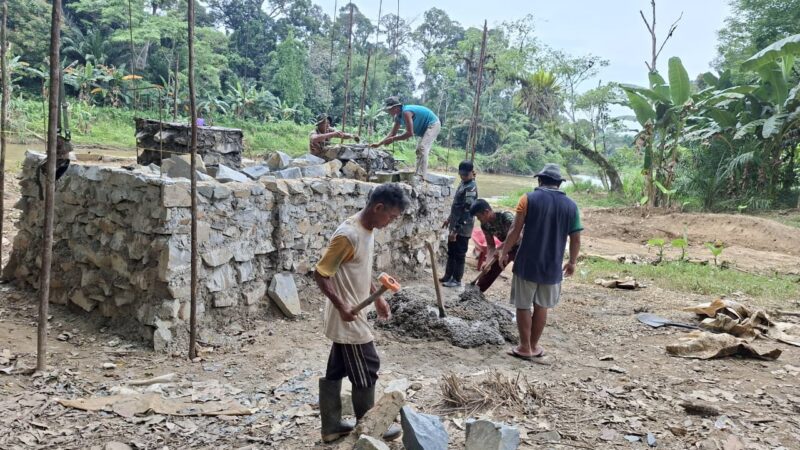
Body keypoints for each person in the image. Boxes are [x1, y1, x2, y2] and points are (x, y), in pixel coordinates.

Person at [314, 183, 408, 443]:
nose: (391, 222)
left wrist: (377, 298)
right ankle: (369, 428)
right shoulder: (348, 235)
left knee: (337, 368)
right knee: (367, 366)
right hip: (348, 317)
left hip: (355, 311)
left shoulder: (369, 229)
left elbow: (360, 269)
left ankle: (331, 426)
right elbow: (320, 274)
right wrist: (341, 305)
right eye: (391, 217)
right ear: (378, 207)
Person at [498, 163, 582, 359]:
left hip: (526, 264)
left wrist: (504, 252)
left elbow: (515, 230)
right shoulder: (572, 206)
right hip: (552, 267)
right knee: (542, 306)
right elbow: (576, 238)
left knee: (523, 305)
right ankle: (534, 346)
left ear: (540, 180)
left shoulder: (527, 199)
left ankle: (524, 347)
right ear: (559, 184)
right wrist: (572, 262)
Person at [370, 96, 440, 177]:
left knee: (422, 148)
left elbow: (409, 133)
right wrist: (379, 144)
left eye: (390, 109)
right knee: (419, 151)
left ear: (396, 108)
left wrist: (393, 139)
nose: (389, 112)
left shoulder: (406, 112)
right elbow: (392, 133)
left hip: (433, 124)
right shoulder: (398, 117)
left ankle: (421, 176)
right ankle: (418, 174)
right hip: (424, 129)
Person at [440, 160, 478, 288]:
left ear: (471, 173)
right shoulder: (463, 183)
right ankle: (448, 275)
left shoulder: (471, 187)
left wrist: (455, 230)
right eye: (461, 174)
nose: (463, 177)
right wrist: (449, 219)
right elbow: (456, 206)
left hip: (463, 227)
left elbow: (467, 211)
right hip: (455, 223)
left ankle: (456, 280)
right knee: (451, 251)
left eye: (465, 175)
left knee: (459, 254)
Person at [469, 199, 518, 292]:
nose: (478, 220)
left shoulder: (505, 217)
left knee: (522, 274)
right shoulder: (485, 225)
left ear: (486, 212)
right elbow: (491, 245)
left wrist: (502, 248)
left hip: (521, 247)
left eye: (479, 217)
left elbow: (517, 235)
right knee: (490, 269)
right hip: (505, 248)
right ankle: (476, 292)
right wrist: (488, 262)